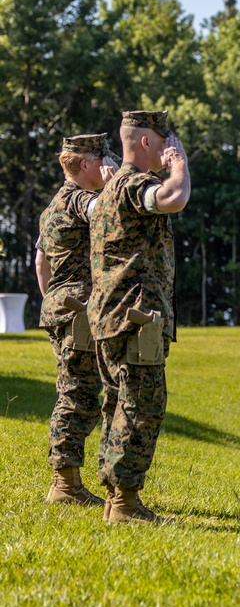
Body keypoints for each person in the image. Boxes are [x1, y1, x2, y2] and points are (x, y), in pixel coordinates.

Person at [89, 110, 190, 524]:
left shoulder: (113, 187)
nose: (169, 145)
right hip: (137, 316)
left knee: (119, 402)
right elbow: (173, 199)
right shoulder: (134, 185)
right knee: (143, 406)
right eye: (164, 138)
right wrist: (180, 166)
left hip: (112, 314)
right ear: (145, 142)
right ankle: (125, 505)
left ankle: (117, 495)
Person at [35, 133, 119, 507]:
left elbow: (41, 262)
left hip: (61, 304)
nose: (108, 165)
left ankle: (66, 481)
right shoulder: (80, 201)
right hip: (79, 309)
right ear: (86, 165)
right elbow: (108, 213)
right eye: (104, 160)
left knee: (74, 388)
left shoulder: (52, 206)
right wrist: (118, 182)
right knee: (79, 394)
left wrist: (54, 298)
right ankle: (65, 485)